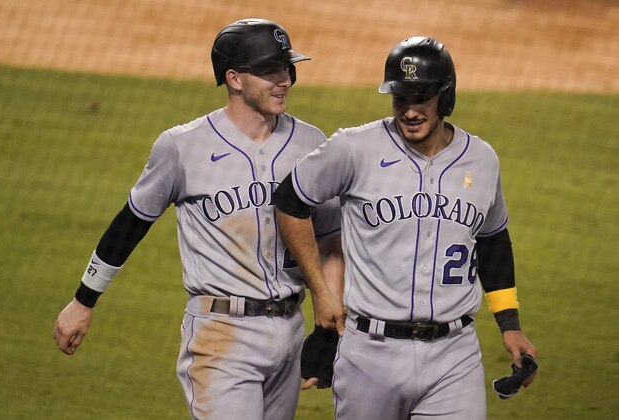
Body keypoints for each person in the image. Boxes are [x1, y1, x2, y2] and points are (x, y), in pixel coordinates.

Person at [52, 18, 343, 420]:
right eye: (270, 71)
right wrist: (84, 301)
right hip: (221, 335)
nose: (284, 81)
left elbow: (331, 239)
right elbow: (131, 222)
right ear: (234, 78)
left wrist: (327, 331)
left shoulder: (311, 143)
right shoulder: (182, 147)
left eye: (287, 69)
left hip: (290, 330)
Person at [274, 36, 537, 419]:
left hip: (454, 357)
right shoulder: (354, 148)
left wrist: (510, 325)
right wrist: (321, 290)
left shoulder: (481, 160)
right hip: (369, 355)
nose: (410, 111)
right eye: (401, 99)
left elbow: (493, 241)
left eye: (422, 99)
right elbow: (290, 199)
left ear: (446, 98)